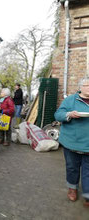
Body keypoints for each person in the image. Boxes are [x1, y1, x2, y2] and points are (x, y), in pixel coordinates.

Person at [54, 77, 89, 207]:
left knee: (88, 171)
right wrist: (69, 114)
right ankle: (72, 188)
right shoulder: (70, 100)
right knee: (72, 168)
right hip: (72, 142)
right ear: (80, 87)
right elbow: (58, 115)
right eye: (87, 85)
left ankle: (87, 194)